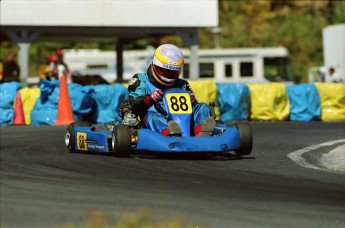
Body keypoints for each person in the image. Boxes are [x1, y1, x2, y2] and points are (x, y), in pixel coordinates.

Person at [127, 44, 216, 136]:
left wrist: (192, 101)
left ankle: (201, 133)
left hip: (184, 122)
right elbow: (133, 105)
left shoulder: (183, 84)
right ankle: (169, 133)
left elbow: (194, 108)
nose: (168, 76)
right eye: (165, 72)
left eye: (172, 73)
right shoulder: (141, 80)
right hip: (156, 120)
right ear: (155, 65)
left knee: (203, 107)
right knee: (151, 115)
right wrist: (150, 99)